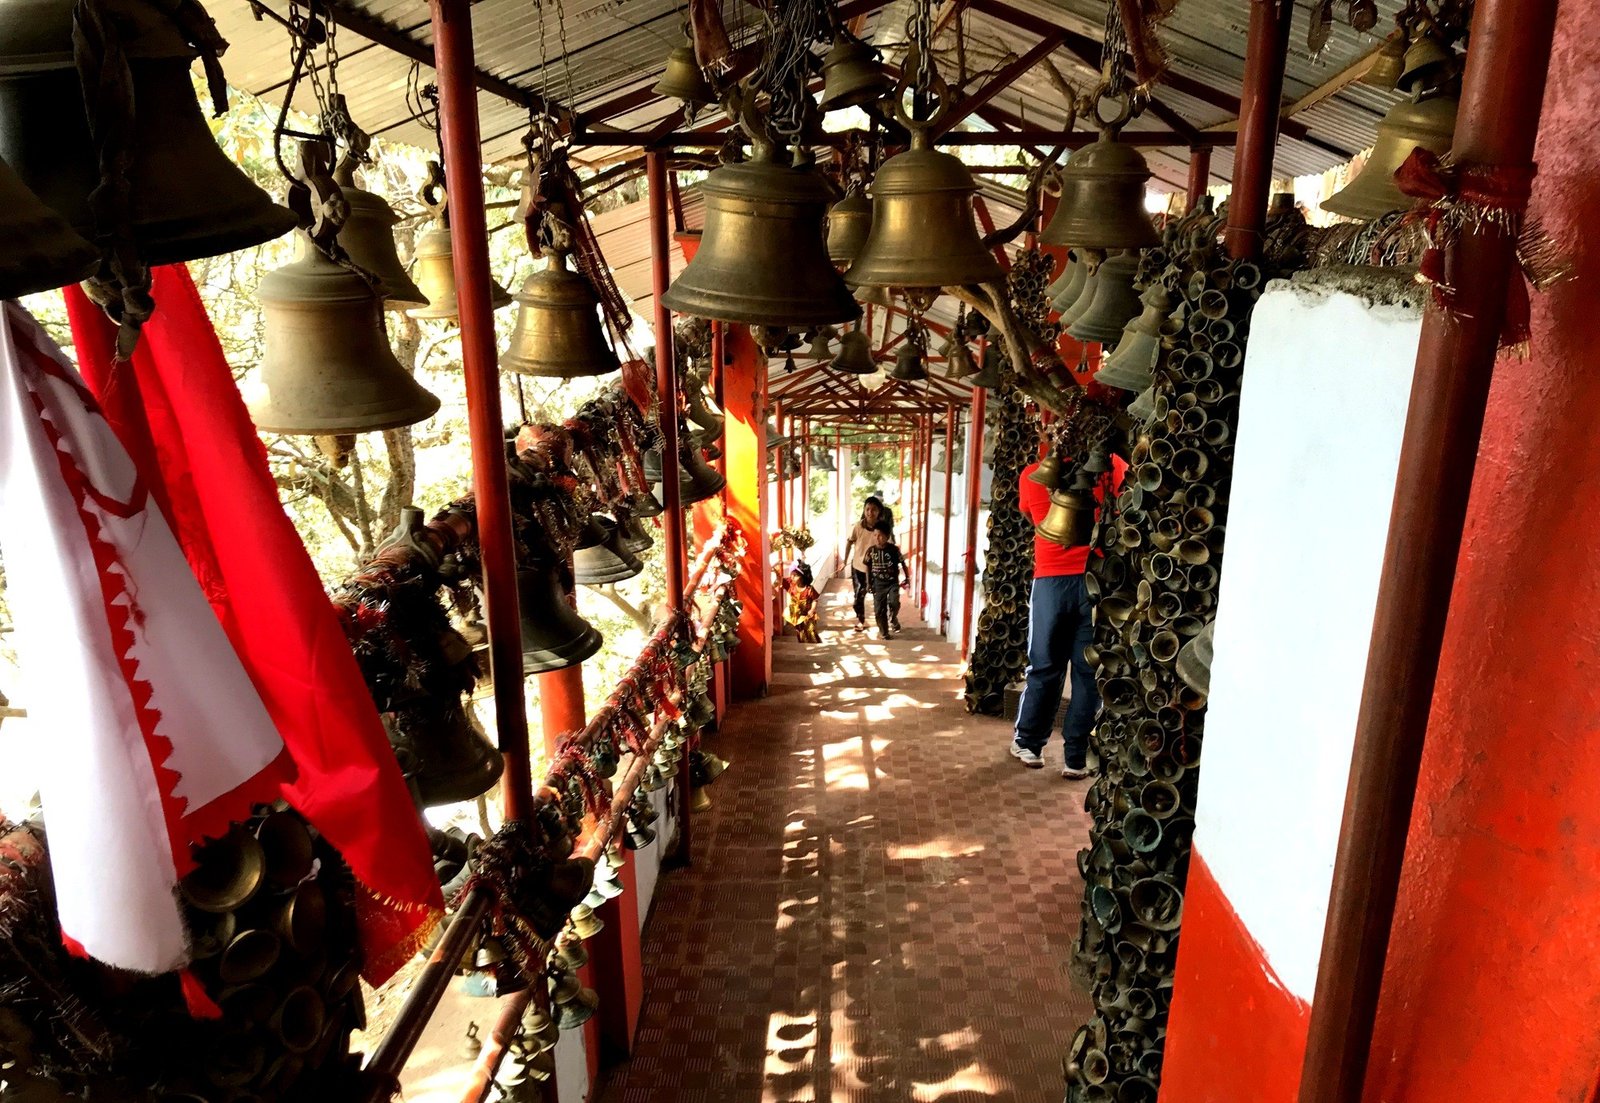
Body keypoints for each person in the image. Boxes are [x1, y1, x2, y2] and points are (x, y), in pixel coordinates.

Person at [1010, 454, 1117, 780]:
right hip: (1094, 582)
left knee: (1044, 667)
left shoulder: (1033, 475)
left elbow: (1033, 517)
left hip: (1050, 583)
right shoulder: (1110, 470)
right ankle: (1076, 758)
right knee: (1088, 672)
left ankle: (1029, 744)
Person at [843, 495, 895, 633]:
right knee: (858, 596)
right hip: (858, 567)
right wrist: (844, 561)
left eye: (873, 510)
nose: (870, 512)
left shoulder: (883, 528)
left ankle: (883, 624)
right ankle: (861, 620)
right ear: (864, 510)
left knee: (880, 597)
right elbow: (849, 542)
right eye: (867, 509)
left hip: (877, 569)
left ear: (879, 511)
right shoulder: (858, 526)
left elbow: (890, 547)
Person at [863, 521, 910, 640]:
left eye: (880, 536)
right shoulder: (871, 551)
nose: (877, 538)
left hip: (892, 583)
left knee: (894, 602)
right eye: (875, 535)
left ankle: (893, 618)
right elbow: (867, 566)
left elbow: (903, 563)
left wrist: (907, 577)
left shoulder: (894, 550)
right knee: (879, 610)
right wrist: (868, 583)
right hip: (878, 584)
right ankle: (884, 632)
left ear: (887, 536)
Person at [784, 561, 821, 643]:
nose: (792, 577)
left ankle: (814, 643)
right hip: (797, 615)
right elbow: (780, 580)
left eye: (796, 575)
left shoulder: (809, 589)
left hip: (808, 615)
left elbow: (815, 600)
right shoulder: (790, 584)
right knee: (800, 631)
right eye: (792, 574)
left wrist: (812, 609)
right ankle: (803, 644)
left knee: (811, 630)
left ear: (802, 577)